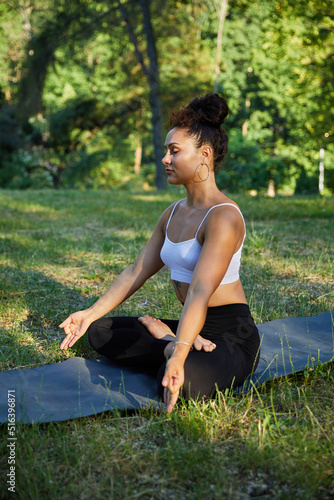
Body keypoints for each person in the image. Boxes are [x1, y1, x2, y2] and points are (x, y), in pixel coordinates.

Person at [60, 93, 260, 413]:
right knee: (100, 332)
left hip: (230, 336)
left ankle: (172, 347)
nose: (165, 159)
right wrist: (89, 312)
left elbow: (199, 290)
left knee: (180, 382)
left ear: (204, 155)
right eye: (166, 150)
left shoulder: (224, 216)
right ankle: (171, 343)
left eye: (174, 151)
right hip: (190, 326)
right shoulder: (171, 213)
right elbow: (135, 271)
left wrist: (179, 353)